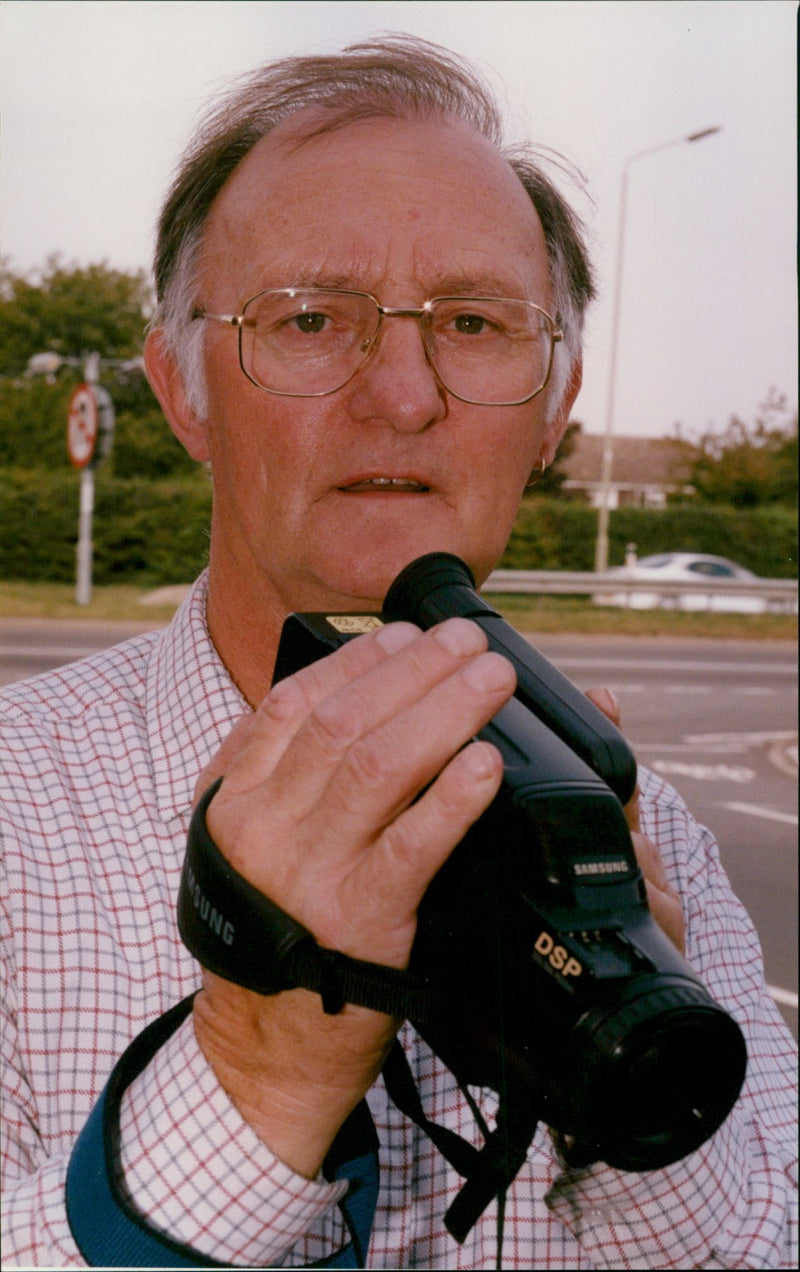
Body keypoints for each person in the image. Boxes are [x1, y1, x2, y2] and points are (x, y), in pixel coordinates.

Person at [1, 35, 796, 1270]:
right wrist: (256, 1072)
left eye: (474, 322)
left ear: (553, 410)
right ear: (179, 389)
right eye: (313, 317)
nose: (405, 393)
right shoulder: (13, 820)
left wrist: (631, 1067)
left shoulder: (652, 838)